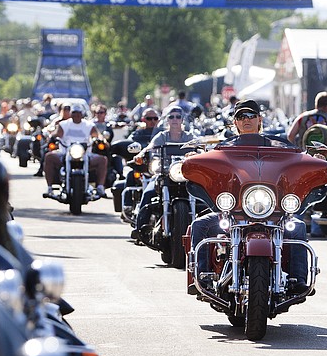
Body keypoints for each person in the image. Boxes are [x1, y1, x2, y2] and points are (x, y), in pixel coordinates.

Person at [188, 99, 310, 295]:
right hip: (232, 212)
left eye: (251, 115)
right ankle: (202, 277)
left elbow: (296, 159)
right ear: (235, 122)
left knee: (298, 227)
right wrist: (194, 159)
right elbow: (209, 166)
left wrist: (313, 159)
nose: (246, 120)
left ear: (259, 119)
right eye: (241, 116)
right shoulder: (222, 149)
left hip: (272, 211)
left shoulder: (277, 147)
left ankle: (299, 280)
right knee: (199, 225)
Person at [131, 105, 197, 238]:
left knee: (203, 196)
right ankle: (139, 228)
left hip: (185, 175)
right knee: (148, 193)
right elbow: (149, 148)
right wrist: (140, 155)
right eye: (171, 117)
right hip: (164, 173)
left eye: (178, 117)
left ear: (182, 120)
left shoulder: (189, 136)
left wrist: (201, 152)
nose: (174, 119)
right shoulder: (162, 136)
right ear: (167, 120)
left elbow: (199, 147)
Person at [44, 103, 108, 198]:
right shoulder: (64, 124)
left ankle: (100, 187)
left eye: (78, 113)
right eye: (74, 113)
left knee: (103, 160)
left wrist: (102, 139)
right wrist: (52, 137)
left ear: (82, 114)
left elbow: (97, 134)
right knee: (49, 156)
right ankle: (49, 187)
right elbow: (57, 133)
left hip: (85, 154)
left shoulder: (89, 125)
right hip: (65, 153)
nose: (76, 115)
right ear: (71, 114)